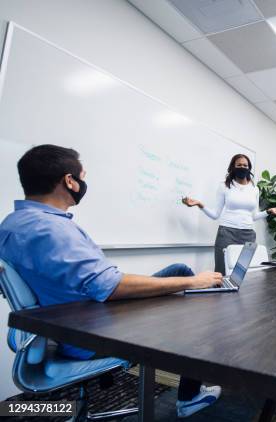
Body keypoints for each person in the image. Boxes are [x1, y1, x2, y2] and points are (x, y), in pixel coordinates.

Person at [0, 145, 223, 419]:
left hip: (76, 316)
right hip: (91, 332)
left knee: (179, 270)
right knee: (194, 300)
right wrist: (191, 282)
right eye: (82, 176)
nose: (83, 183)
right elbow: (110, 287)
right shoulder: (49, 229)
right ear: (69, 181)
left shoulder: (15, 223)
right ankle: (189, 397)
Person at [182, 154, 276, 274]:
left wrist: (268, 212)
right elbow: (215, 215)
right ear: (233, 167)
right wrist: (200, 204)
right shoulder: (224, 186)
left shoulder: (254, 189)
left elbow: (254, 216)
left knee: (242, 273)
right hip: (226, 234)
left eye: (245, 165)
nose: (242, 167)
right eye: (239, 165)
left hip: (248, 234)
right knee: (221, 272)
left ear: (249, 168)